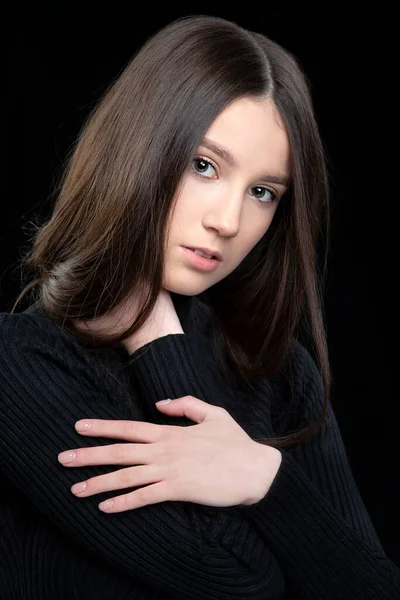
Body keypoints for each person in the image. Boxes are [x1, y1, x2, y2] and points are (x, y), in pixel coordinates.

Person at [0, 14, 398, 600]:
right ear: (138, 149)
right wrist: (160, 342)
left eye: (263, 192)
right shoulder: (19, 365)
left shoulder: (279, 371)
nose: (229, 221)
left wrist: (265, 477)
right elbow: (232, 581)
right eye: (204, 165)